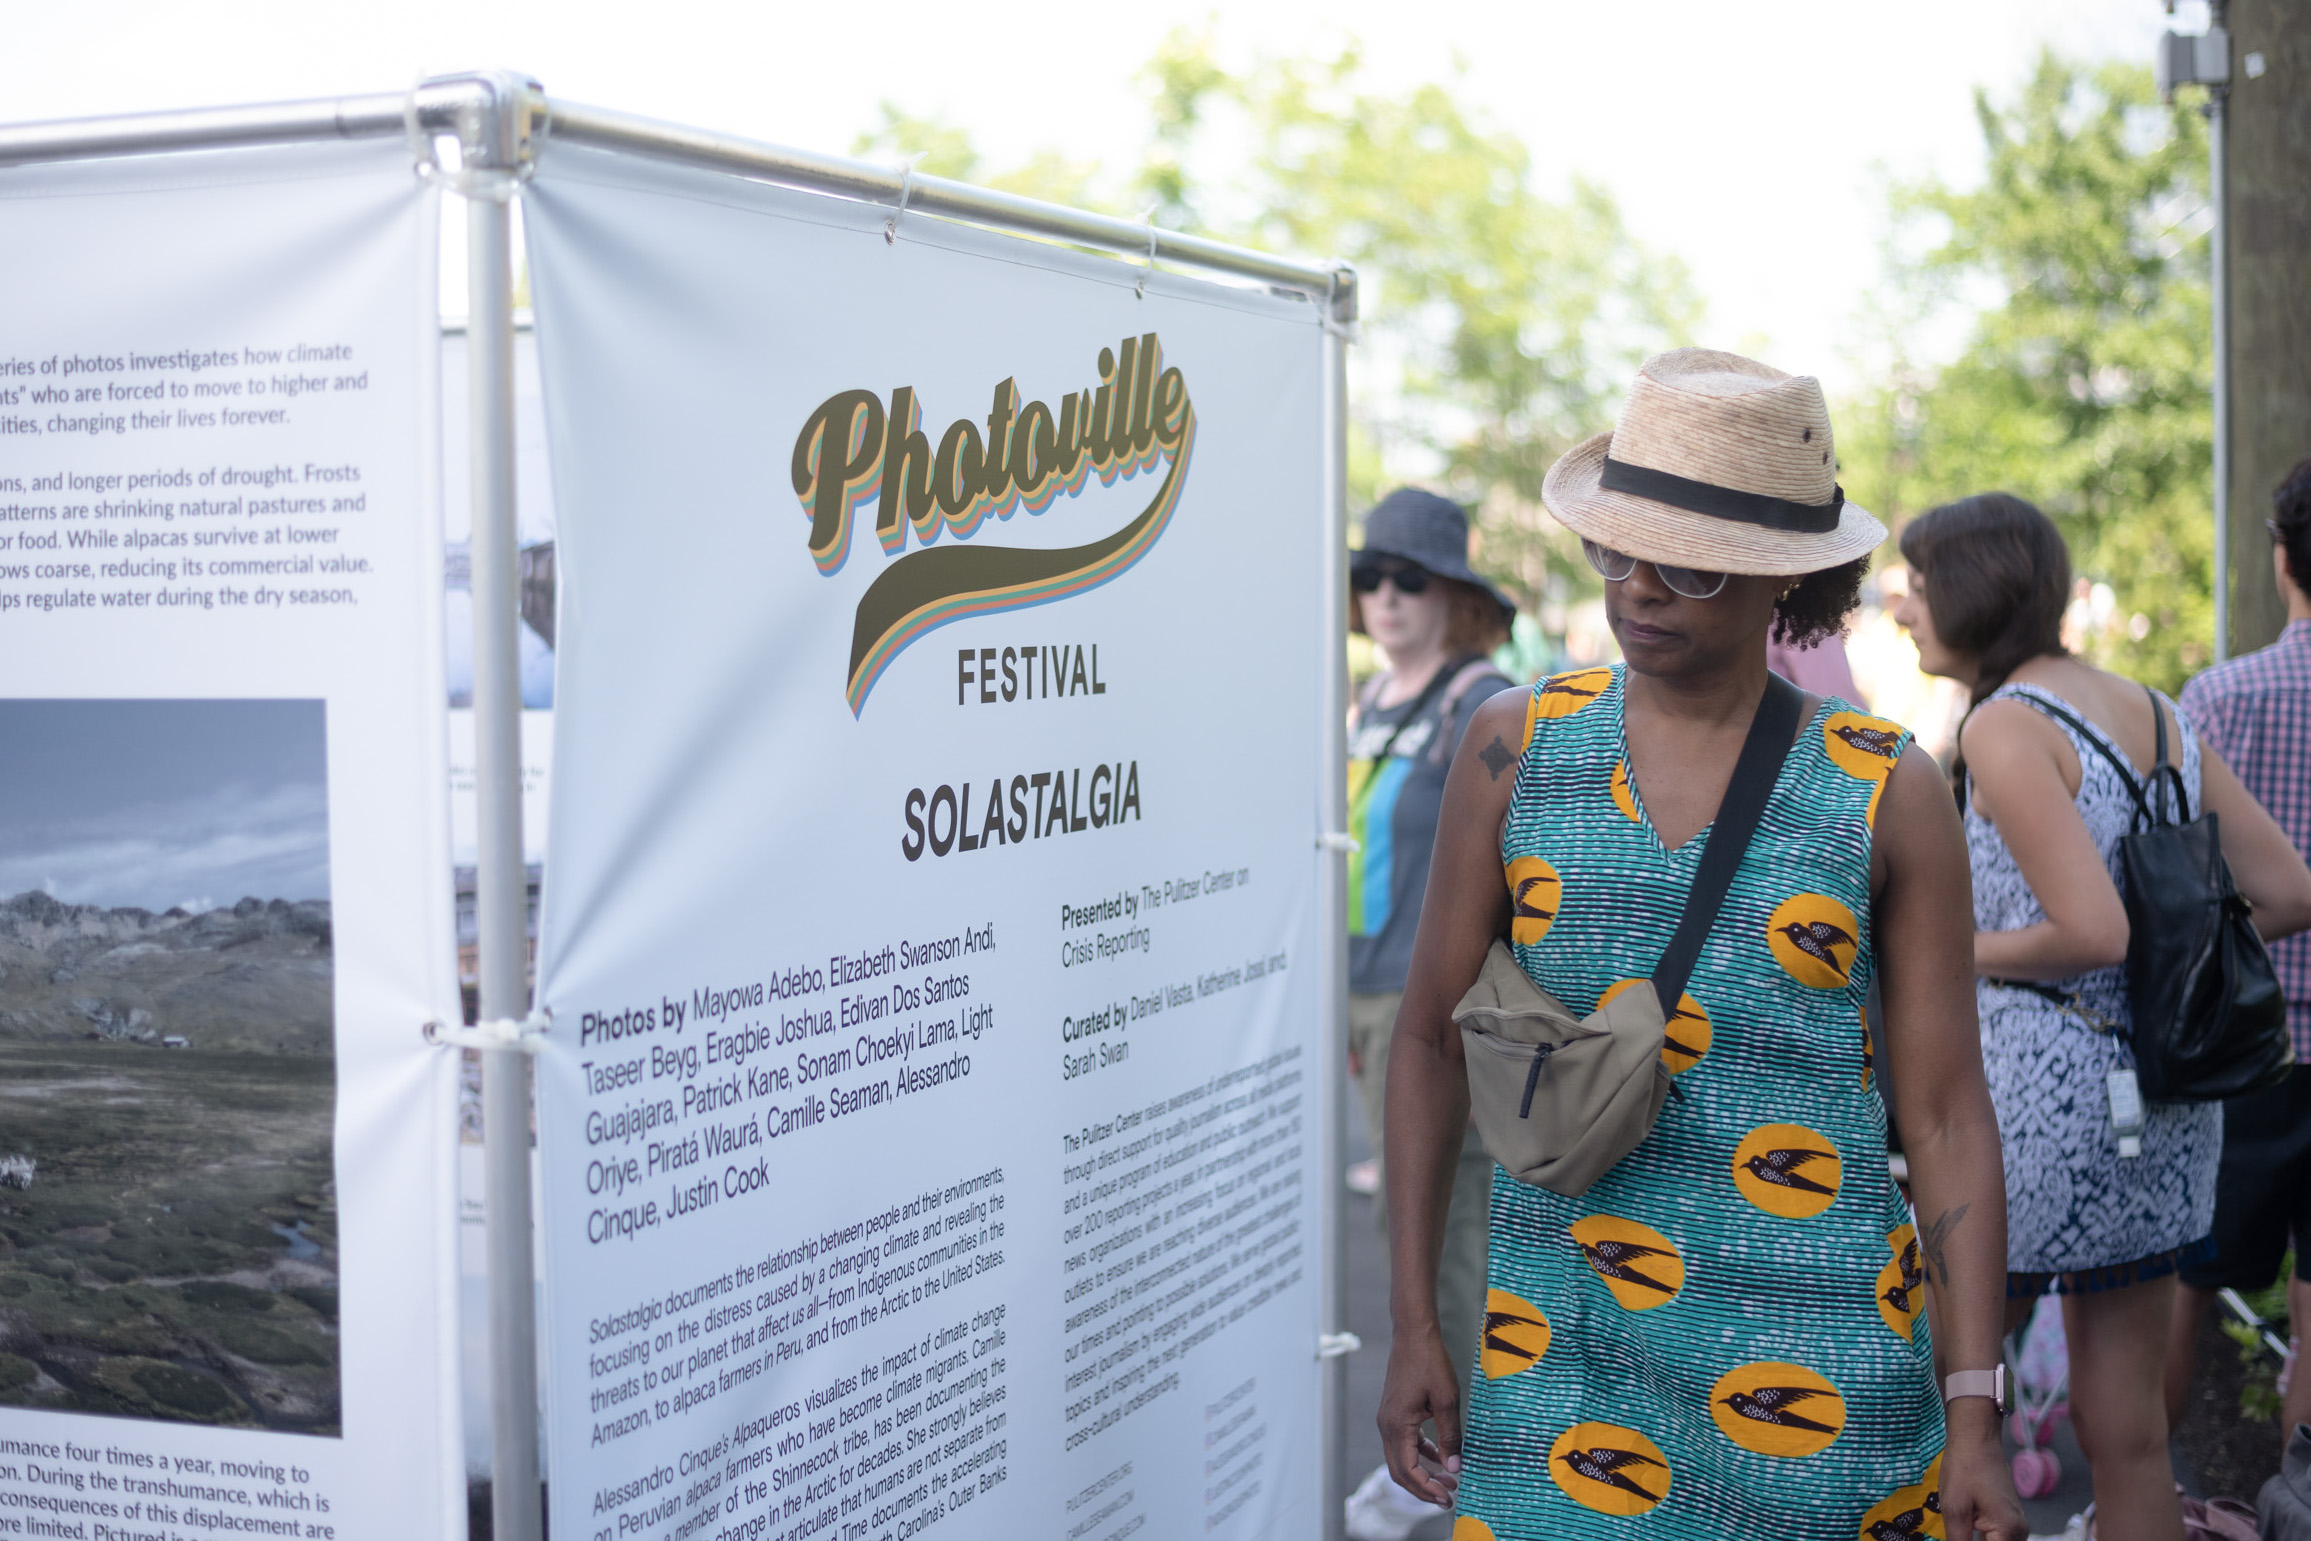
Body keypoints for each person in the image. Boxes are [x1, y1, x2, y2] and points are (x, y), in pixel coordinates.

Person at [1378, 349, 2027, 1540]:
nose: (1638, 592)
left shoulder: (1884, 789)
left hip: (1818, 1391)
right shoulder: (1512, 747)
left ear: (1785, 575)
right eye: (1616, 550)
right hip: (1559, 1367)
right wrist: (1414, 1317)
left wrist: (1974, 1408)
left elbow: (1942, 1115)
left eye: (1683, 565)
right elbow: (1424, 1036)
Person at [1892, 492, 2311, 1541]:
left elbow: (2091, 928)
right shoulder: (2153, 708)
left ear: (1971, 591)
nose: (1900, 606)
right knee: (2123, 1426)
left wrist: (1941, 954)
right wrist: (2183, 945)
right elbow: (2291, 889)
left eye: (1915, 580)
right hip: (2163, 1099)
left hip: (2033, 1109)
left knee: (1945, 1404)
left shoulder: (2002, 726)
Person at [1342, 487, 1517, 1541]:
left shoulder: (1481, 699)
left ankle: (1470, 1458)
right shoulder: (1365, 695)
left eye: (1410, 579)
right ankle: (1454, 1453)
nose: (1386, 597)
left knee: (1450, 1229)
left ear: (1455, 596)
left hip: (1444, 1005)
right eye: (1370, 577)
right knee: (1407, 1220)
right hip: (1369, 992)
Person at [2165, 458, 2311, 1451]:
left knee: (2180, 1289)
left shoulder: (2217, 699)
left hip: (2246, 1051)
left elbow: (2175, 884)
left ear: (2280, 555)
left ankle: (2148, 1497)